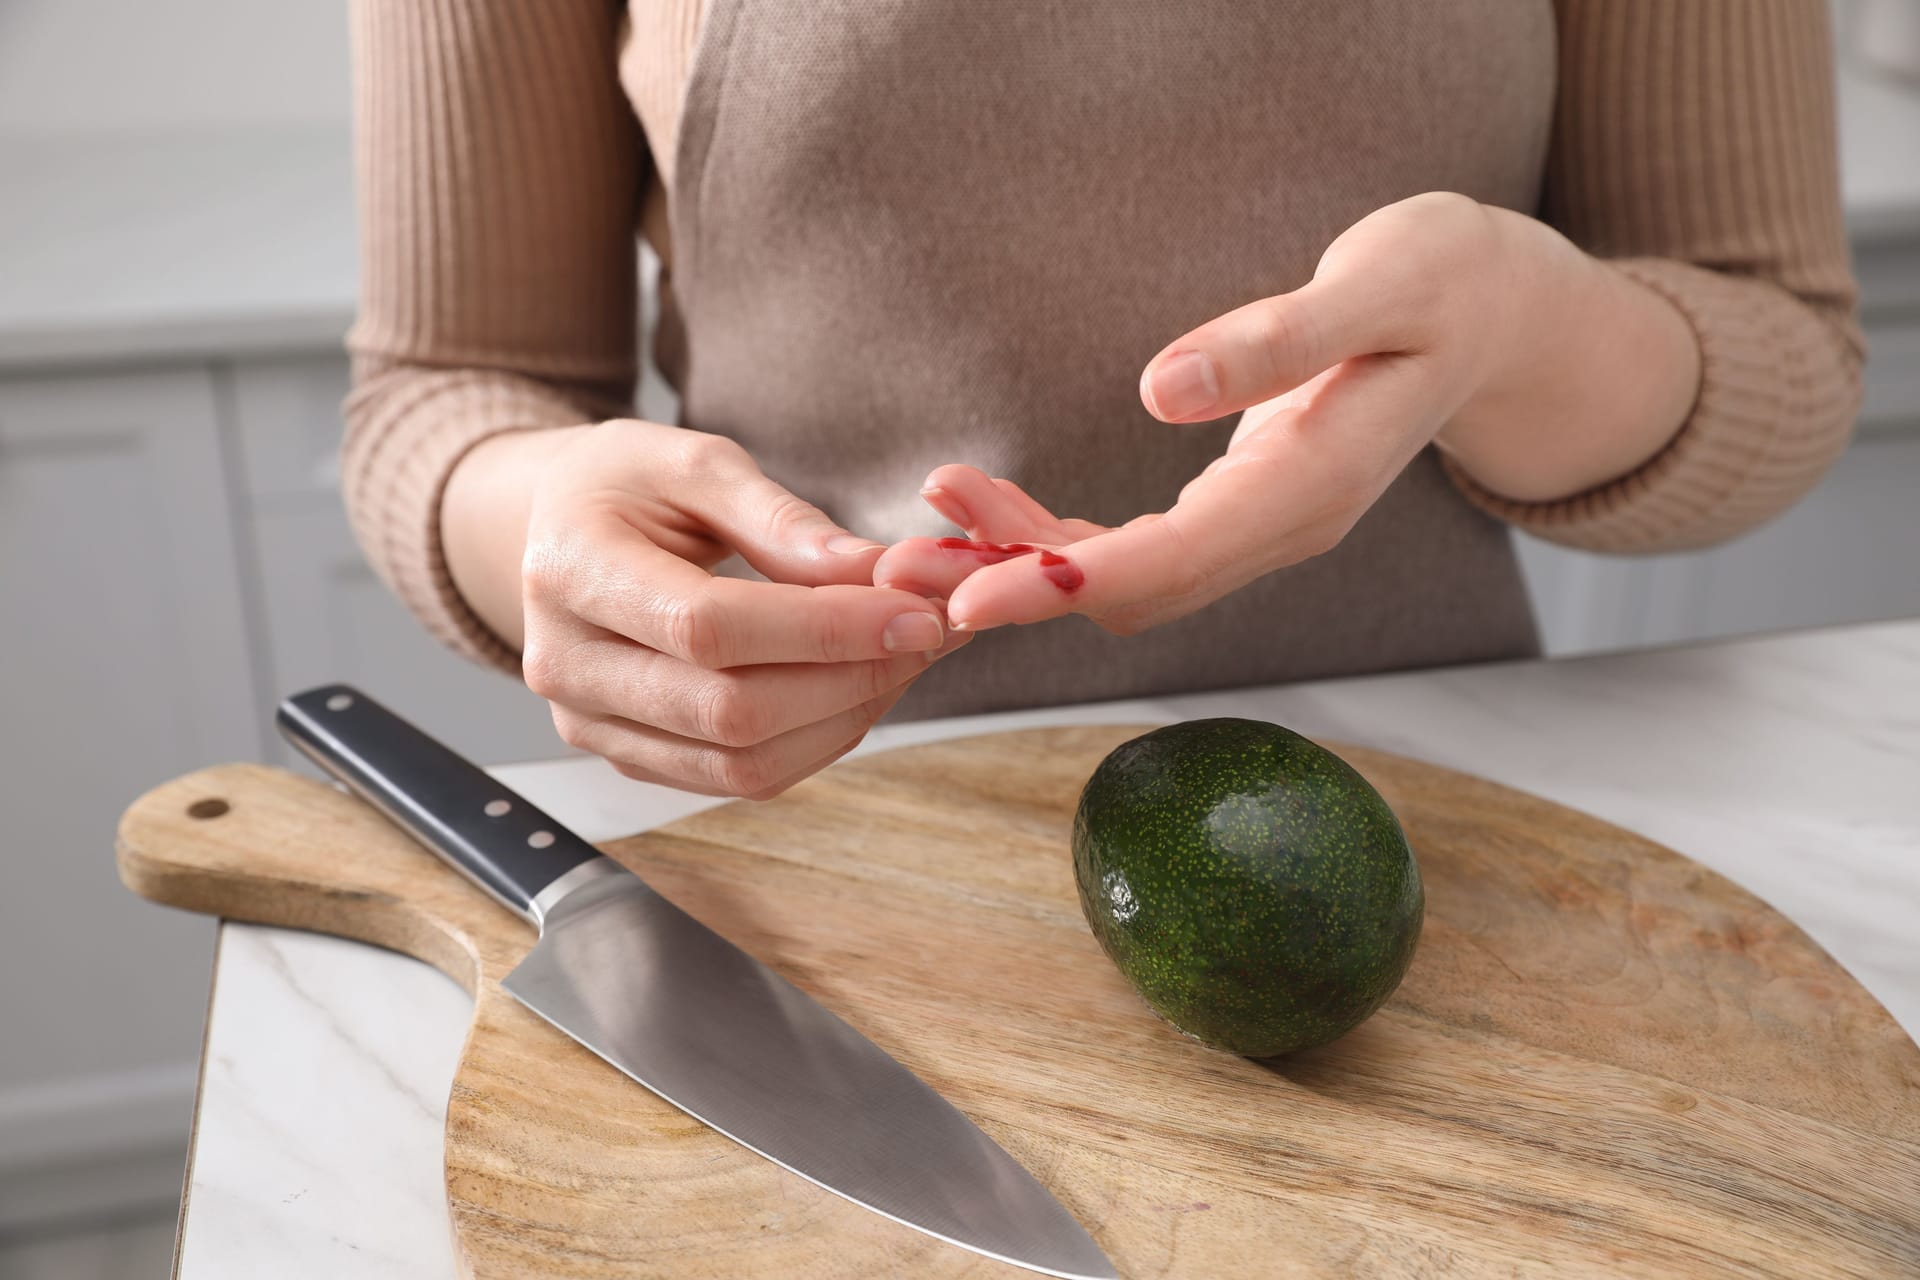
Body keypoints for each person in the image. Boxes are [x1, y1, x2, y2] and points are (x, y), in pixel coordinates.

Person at [342, 0, 1861, 798]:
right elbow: (447, 387)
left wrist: (1523, 328)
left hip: (1425, 816)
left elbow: (1777, 336)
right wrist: (548, 530)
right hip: (796, 824)